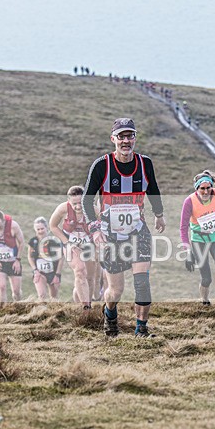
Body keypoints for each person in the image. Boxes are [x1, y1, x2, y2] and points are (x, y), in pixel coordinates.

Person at [82, 118, 165, 337]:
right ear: (113, 139)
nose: (126, 141)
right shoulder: (102, 165)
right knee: (116, 291)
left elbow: (153, 189)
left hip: (138, 232)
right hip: (110, 236)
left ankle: (142, 329)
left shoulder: (144, 163)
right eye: (121, 136)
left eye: (130, 136)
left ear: (135, 138)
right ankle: (110, 315)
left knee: (142, 283)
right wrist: (95, 228)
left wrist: (159, 214)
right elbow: (86, 199)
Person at [180, 170, 215, 312]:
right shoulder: (189, 201)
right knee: (206, 278)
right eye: (202, 188)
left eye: (208, 188)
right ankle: (205, 302)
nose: (205, 191)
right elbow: (183, 227)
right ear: (197, 188)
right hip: (199, 240)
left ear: (211, 186)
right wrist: (187, 251)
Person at [50, 186, 99, 309]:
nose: (78, 207)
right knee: (80, 270)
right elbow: (53, 226)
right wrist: (66, 242)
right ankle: (86, 308)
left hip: (89, 244)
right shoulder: (63, 209)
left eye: (80, 203)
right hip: (71, 244)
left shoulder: (94, 210)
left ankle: (82, 304)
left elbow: (103, 227)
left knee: (89, 278)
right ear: (69, 201)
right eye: (74, 204)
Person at [27, 217, 64, 301]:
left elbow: (61, 258)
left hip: (53, 272)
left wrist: (57, 274)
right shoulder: (33, 242)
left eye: (42, 228)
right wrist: (35, 270)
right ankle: (41, 311)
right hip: (40, 272)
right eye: (38, 229)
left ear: (47, 228)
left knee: (54, 298)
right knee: (42, 296)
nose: (40, 231)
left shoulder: (54, 242)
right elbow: (30, 257)